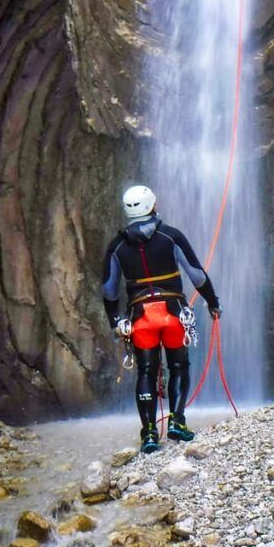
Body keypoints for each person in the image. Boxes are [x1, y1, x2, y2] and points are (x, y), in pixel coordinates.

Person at [101, 185, 222, 453]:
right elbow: (197, 275)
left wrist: (115, 320)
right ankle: (177, 421)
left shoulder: (117, 246)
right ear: (153, 206)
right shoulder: (171, 236)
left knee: (146, 371)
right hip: (173, 315)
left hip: (141, 319)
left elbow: (109, 290)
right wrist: (213, 302)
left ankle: (149, 434)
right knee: (178, 366)